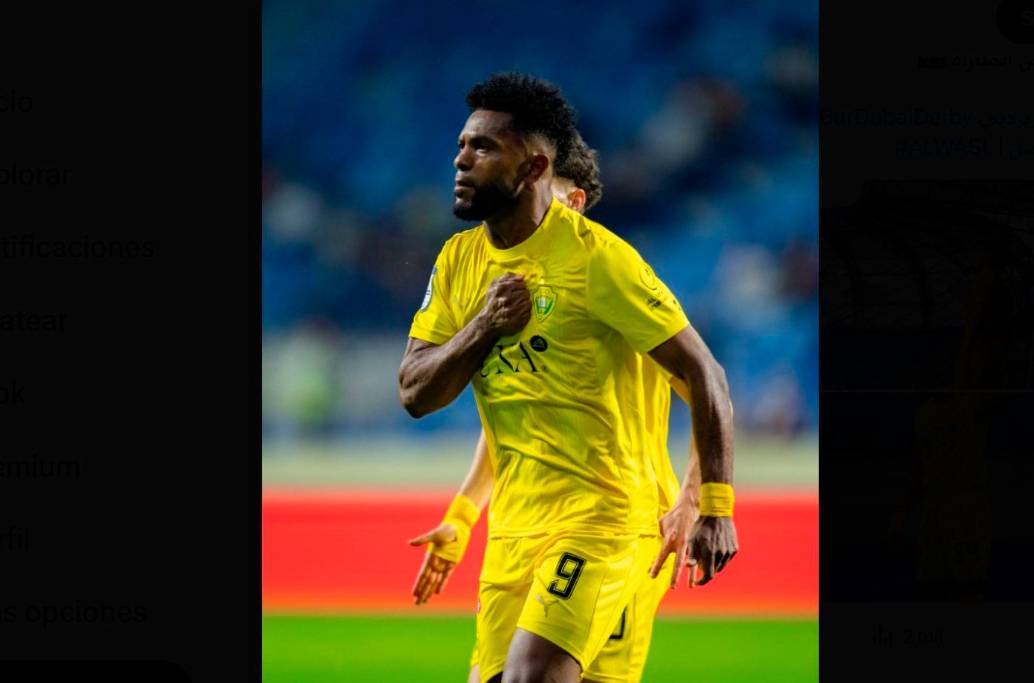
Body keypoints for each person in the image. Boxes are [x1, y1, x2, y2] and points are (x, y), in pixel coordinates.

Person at [398, 73, 737, 683]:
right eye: (462, 145)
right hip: (516, 531)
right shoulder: (457, 264)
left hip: (608, 518)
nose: (461, 159)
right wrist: (481, 329)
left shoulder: (598, 261)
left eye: (482, 147)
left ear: (534, 170)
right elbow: (417, 394)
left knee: (531, 676)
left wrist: (708, 502)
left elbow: (703, 377)